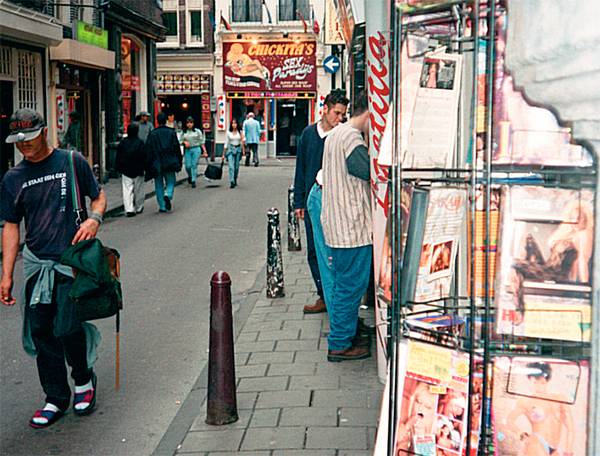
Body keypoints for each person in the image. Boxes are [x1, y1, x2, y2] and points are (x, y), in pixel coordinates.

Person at [0, 108, 107, 428]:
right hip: (36, 265)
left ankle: (84, 380)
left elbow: (99, 197)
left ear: (44, 132)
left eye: (29, 139)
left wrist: (94, 218)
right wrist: (6, 275)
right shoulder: (13, 178)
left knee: (67, 327)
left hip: (71, 264)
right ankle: (56, 397)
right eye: (18, 142)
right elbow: (11, 226)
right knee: (42, 332)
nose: (24, 146)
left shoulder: (71, 161)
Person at [321, 91, 372, 362]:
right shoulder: (352, 137)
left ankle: (345, 333)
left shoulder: (335, 134)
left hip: (337, 224)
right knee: (351, 285)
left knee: (344, 283)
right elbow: (365, 171)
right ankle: (340, 342)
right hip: (351, 227)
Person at [293, 90, 349, 314]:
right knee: (314, 251)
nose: (339, 119)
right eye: (337, 113)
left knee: (333, 249)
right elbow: (301, 168)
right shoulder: (308, 135)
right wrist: (299, 201)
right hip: (312, 200)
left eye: (343, 115)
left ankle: (334, 294)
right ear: (324, 109)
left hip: (336, 202)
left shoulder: (343, 135)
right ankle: (323, 295)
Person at [503, 362, 575, 456]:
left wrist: (568, 451)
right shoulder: (526, 401)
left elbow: (570, 429)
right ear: (529, 380)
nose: (537, 385)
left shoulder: (560, 399)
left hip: (555, 448)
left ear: (547, 379)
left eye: (541, 382)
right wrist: (522, 435)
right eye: (534, 382)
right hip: (536, 443)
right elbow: (509, 420)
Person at [145, 112, 182, 213]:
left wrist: (148, 164)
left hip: (157, 162)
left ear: (157, 121)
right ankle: (168, 194)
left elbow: (149, 150)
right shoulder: (171, 132)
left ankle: (162, 206)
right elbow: (176, 148)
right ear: (166, 120)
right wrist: (179, 161)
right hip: (169, 161)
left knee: (158, 184)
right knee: (171, 181)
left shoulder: (152, 134)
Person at [115, 121, 146, 217]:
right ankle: (139, 206)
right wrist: (145, 167)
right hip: (138, 169)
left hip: (126, 170)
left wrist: (119, 167)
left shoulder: (123, 143)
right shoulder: (140, 143)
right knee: (139, 189)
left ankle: (129, 209)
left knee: (127, 189)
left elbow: (118, 156)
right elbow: (144, 156)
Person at [180, 116, 208, 189]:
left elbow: (201, 142)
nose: (189, 124)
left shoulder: (197, 131)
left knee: (194, 165)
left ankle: (193, 180)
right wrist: (184, 142)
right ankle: (190, 175)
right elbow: (180, 140)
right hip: (188, 150)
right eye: (188, 123)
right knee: (187, 166)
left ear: (193, 123)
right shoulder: (184, 132)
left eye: (191, 123)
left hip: (196, 149)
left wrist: (204, 151)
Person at [224, 118, 244, 188]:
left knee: (236, 167)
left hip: (238, 149)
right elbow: (226, 143)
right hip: (230, 149)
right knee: (231, 166)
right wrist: (223, 154)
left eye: (235, 123)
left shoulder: (240, 132)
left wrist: (243, 150)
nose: (234, 125)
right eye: (232, 123)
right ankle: (231, 181)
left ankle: (235, 178)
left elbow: (243, 141)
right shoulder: (228, 132)